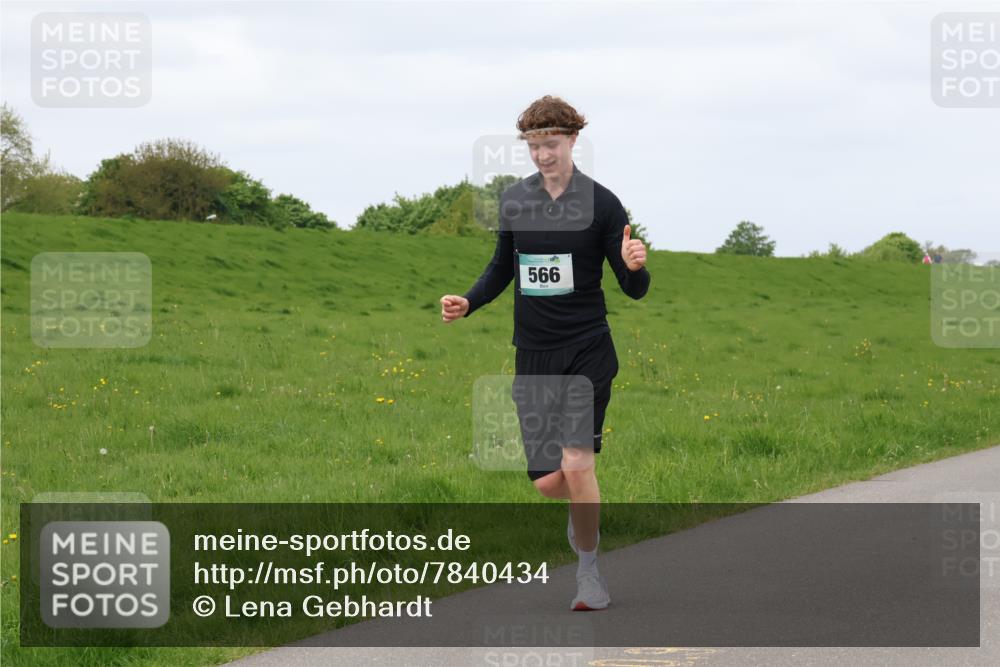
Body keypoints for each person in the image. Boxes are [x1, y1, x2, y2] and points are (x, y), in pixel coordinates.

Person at [440, 95, 651, 611]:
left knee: (578, 464)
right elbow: (501, 270)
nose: (542, 155)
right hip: (533, 354)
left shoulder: (603, 204)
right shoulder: (516, 201)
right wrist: (469, 301)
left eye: (550, 144)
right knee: (550, 481)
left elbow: (633, 288)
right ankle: (580, 515)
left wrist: (635, 264)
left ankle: (589, 575)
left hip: (587, 350)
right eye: (534, 146)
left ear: (573, 139)